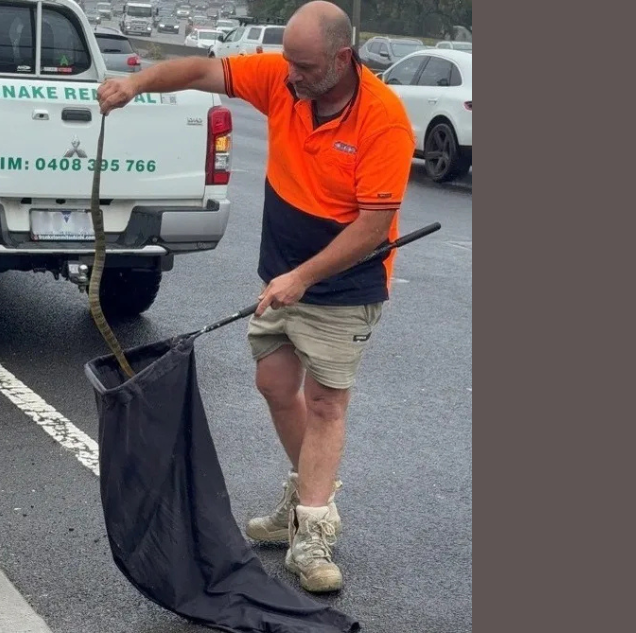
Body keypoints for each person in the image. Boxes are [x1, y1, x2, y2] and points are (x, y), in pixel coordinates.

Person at [98, 0, 415, 594]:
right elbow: (199, 72)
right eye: (287, 62)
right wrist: (135, 83)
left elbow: (373, 226)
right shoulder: (283, 80)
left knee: (325, 404)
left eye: (303, 64)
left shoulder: (383, 120)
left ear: (342, 58)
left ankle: (315, 535)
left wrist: (303, 278)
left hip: (345, 285)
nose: (289, 74)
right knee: (273, 386)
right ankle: (302, 503)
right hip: (282, 276)